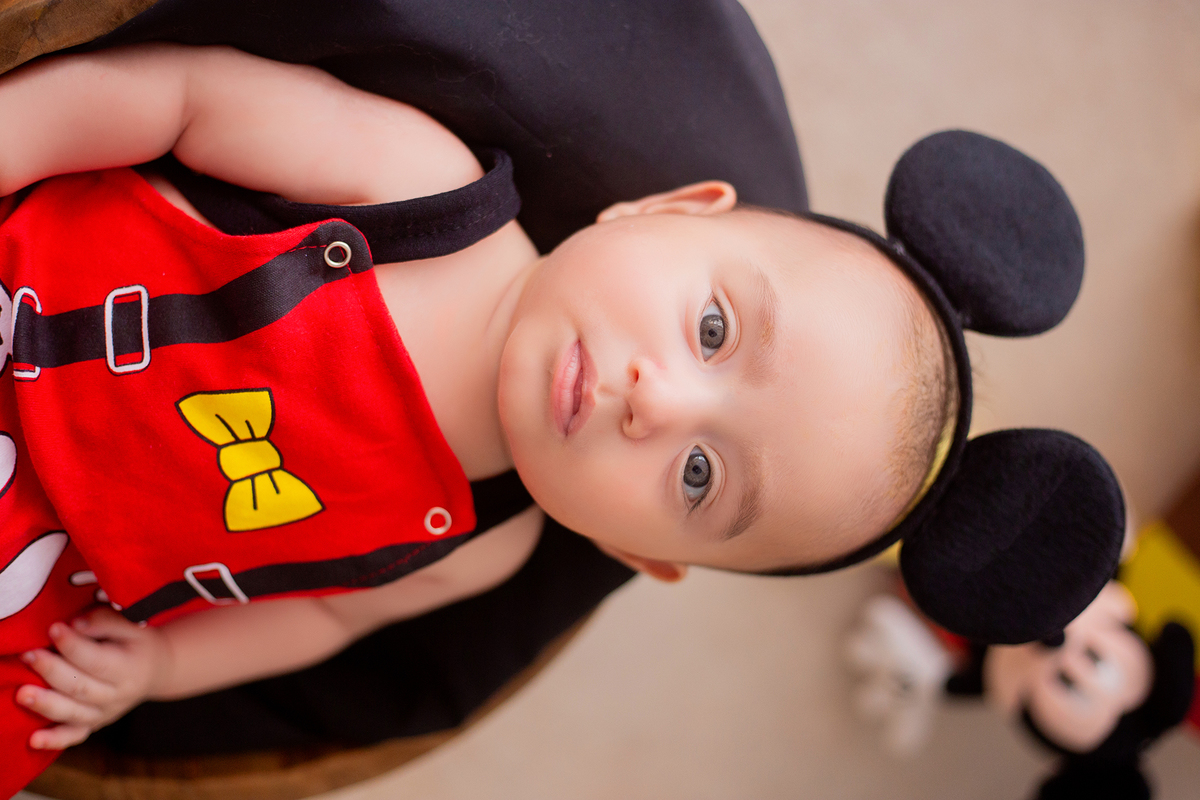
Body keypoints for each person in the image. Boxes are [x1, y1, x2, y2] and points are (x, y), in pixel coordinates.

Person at [0, 39, 1114, 794]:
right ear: (664, 209)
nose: (655, 399)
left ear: (635, 551)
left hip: (47, 566)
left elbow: (324, 619)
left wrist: (160, 672)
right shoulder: (419, 189)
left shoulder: (481, 541)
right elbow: (186, 98)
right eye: (713, 328)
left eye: (698, 477)